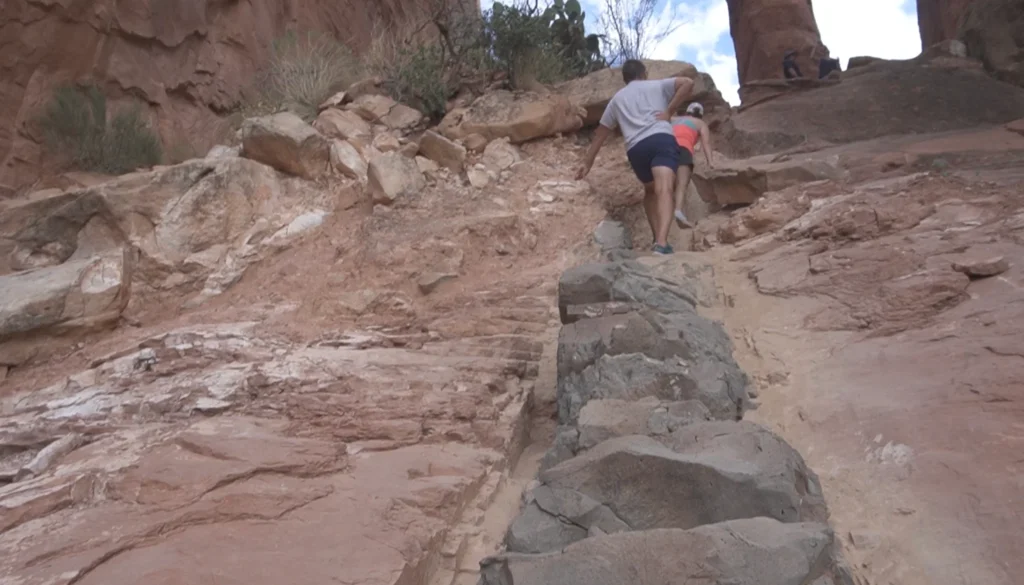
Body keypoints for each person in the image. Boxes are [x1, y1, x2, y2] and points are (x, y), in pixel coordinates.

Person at [576, 60, 694, 255]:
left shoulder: (617, 100)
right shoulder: (657, 85)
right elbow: (688, 83)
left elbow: (601, 134)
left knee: (650, 191)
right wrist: (669, 111)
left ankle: (656, 238)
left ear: (625, 79)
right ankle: (662, 243)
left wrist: (587, 163)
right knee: (664, 188)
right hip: (660, 139)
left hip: (636, 149)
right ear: (644, 73)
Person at [669, 102, 713, 228]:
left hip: (666, 148)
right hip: (683, 148)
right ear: (700, 115)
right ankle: (678, 211)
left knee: (665, 185)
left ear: (687, 112)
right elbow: (706, 143)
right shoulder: (700, 124)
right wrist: (710, 162)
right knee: (681, 184)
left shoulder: (673, 119)